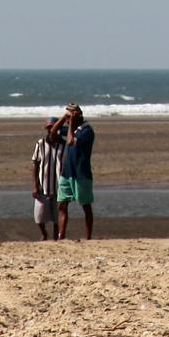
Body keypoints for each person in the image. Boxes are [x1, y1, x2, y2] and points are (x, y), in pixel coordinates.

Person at [55, 103, 96, 240]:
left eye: (70, 116)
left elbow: (71, 141)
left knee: (85, 205)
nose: (67, 119)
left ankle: (88, 236)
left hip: (81, 173)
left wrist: (71, 122)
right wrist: (63, 118)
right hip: (67, 172)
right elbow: (53, 132)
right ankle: (61, 236)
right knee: (62, 203)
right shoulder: (73, 128)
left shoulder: (87, 130)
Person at [29, 118, 64, 241]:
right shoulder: (41, 144)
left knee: (57, 215)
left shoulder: (63, 144)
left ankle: (56, 236)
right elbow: (35, 164)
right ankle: (44, 233)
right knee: (39, 216)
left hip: (59, 185)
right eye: (49, 128)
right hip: (43, 185)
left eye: (53, 127)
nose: (51, 130)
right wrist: (35, 185)